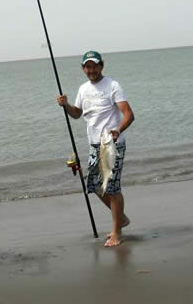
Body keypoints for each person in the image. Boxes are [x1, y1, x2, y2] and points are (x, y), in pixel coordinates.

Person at [57, 51, 135, 247]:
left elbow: (128, 114)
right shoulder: (83, 89)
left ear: (101, 66)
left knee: (112, 186)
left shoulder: (112, 85)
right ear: (83, 68)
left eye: (94, 66)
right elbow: (76, 114)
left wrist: (117, 130)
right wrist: (66, 105)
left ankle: (116, 231)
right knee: (93, 186)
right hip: (94, 144)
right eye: (87, 67)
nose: (91, 70)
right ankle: (121, 218)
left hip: (112, 143)